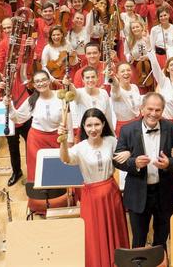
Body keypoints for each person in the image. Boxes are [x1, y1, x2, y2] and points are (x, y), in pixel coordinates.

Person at [58, 108, 131, 267]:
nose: (93, 129)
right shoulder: (80, 147)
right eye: (89, 125)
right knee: (94, 234)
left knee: (115, 230)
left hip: (111, 193)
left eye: (97, 124)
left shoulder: (111, 141)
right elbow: (65, 159)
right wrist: (62, 141)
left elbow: (126, 152)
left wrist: (128, 153)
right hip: (91, 196)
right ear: (83, 126)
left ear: (103, 124)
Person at [114, 93, 173, 248]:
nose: (153, 113)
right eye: (150, 109)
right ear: (142, 108)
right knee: (138, 241)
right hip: (137, 193)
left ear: (163, 110)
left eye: (157, 110)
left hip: (164, 192)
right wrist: (134, 163)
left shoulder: (172, 129)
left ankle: (161, 260)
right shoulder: (127, 130)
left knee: (161, 240)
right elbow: (117, 160)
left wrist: (169, 163)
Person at [4, 70, 62, 183]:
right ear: (34, 85)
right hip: (37, 141)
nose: (41, 83)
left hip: (57, 138)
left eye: (44, 80)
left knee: (58, 172)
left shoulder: (60, 96)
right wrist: (9, 107)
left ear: (49, 81)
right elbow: (18, 118)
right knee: (39, 174)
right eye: (37, 81)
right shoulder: (31, 100)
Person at [0, 63, 29, 186]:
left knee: (30, 145)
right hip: (10, 123)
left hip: (24, 117)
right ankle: (17, 172)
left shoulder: (11, 76)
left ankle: (33, 171)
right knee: (13, 148)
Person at [109, 62, 143, 136]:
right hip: (124, 128)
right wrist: (113, 78)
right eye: (122, 71)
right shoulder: (116, 91)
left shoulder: (134, 87)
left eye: (128, 70)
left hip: (139, 124)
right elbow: (115, 86)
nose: (126, 73)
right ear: (117, 75)